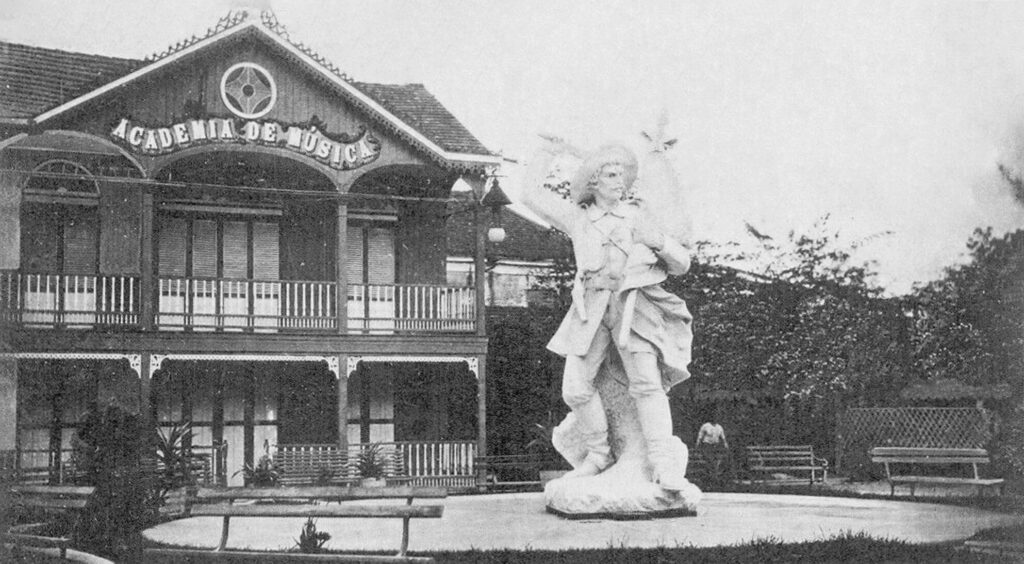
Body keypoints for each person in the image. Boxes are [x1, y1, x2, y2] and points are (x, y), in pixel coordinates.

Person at [521, 140, 694, 491]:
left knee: (647, 384)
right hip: (591, 307)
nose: (621, 181)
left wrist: (658, 241)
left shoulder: (639, 216)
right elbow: (529, 193)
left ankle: (663, 464)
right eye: (612, 174)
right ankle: (599, 456)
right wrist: (548, 149)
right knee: (575, 387)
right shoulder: (578, 217)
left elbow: (682, 264)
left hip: (635, 305)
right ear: (593, 182)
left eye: (624, 175)